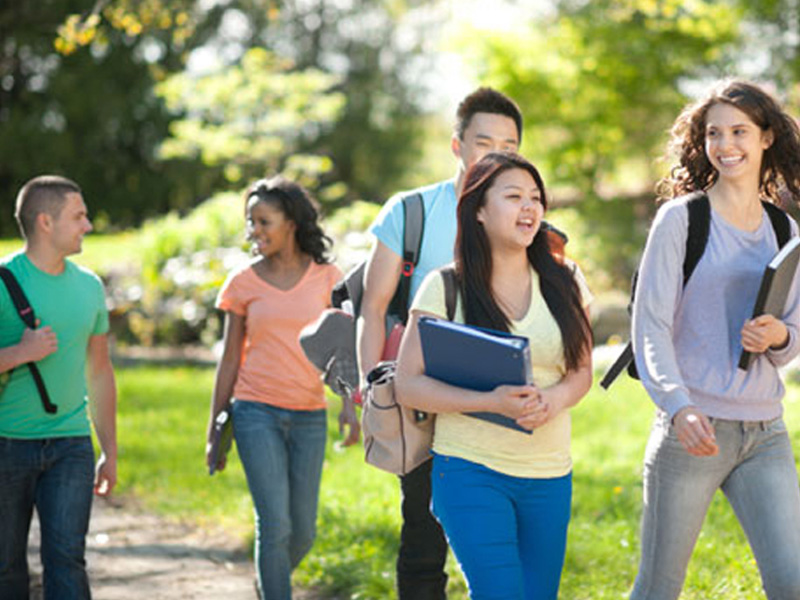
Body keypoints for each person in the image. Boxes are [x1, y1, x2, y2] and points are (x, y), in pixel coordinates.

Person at [395, 152, 594, 600]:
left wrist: (555, 400)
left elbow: (581, 371)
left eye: (536, 198)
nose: (529, 208)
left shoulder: (567, 280)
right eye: (514, 197)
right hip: (469, 470)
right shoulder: (444, 286)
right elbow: (408, 384)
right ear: (479, 211)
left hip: (549, 473)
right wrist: (491, 402)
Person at [629, 80, 800, 599]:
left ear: (767, 137)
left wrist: (777, 336)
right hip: (692, 430)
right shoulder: (681, 220)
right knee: (659, 589)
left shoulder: (785, 228)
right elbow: (649, 326)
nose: (726, 145)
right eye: (714, 133)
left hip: (764, 430)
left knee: (793, 583)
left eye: (740, 132)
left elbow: (793, 337)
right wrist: (678, 407)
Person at [358, 87, 523, 600]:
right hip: (423, 401)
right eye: (484, 142)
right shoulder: (411, 212)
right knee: (425, 539)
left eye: (510, 146)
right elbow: (373, 305)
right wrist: (370, 389)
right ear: (457, 145)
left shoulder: (526, 214)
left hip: (501, 400)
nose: (496, 155)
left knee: (497, 543)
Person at [205, 176, 356, 600]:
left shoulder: (328, 277)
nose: (253, 230)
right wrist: (215, 428)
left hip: (309, 414)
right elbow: (230, 358)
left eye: (263, 221)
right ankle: (275, 588)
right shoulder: (241, 283)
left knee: (303, 532)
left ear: (291, 221)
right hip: (255, 412)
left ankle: (269, 580)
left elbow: (342, 348)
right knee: (275, 525)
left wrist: (349, 406)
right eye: (250, 222)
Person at [0, 175, 117, 600]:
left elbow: (100, 372)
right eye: (79, 215)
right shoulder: (2, 283)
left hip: (70, 444)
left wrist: (110, 450)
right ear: (45, 222)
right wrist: (20, 352)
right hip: (6, 443)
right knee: (6, 567)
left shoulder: (89, 286)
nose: (87, 224)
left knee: (67, 560)